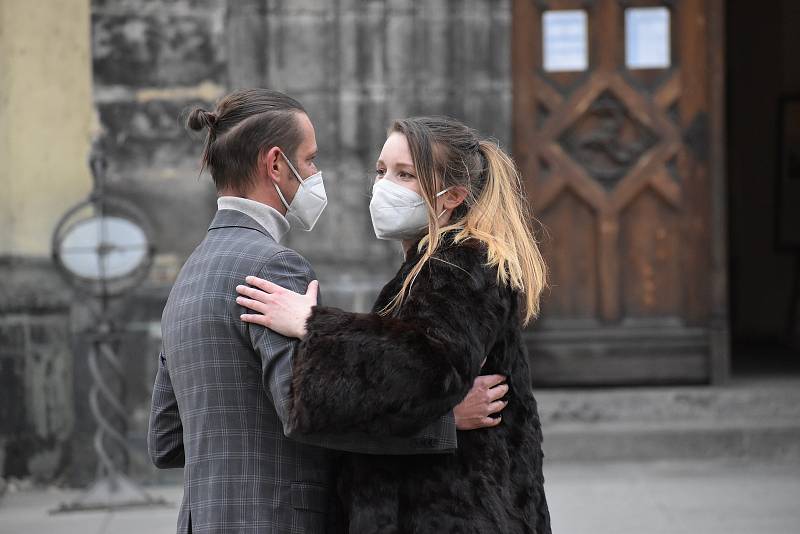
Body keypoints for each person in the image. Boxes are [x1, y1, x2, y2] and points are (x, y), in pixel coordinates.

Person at [147, 89, 506, 534]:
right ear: (276, 164)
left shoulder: (188, 276)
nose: (317, 173)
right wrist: (443, 419)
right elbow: (307, 414)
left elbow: (165, 441)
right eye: (311, 160)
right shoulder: (275, 266)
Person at [235, 116, 552, 533]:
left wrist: (312, 324)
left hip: (453, 511)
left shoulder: (461, 263)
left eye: (405, 175)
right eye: (381, 171)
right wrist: (446, 414)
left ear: (450, 196)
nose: (383, 186)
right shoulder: (428, 265)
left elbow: (423, 366)